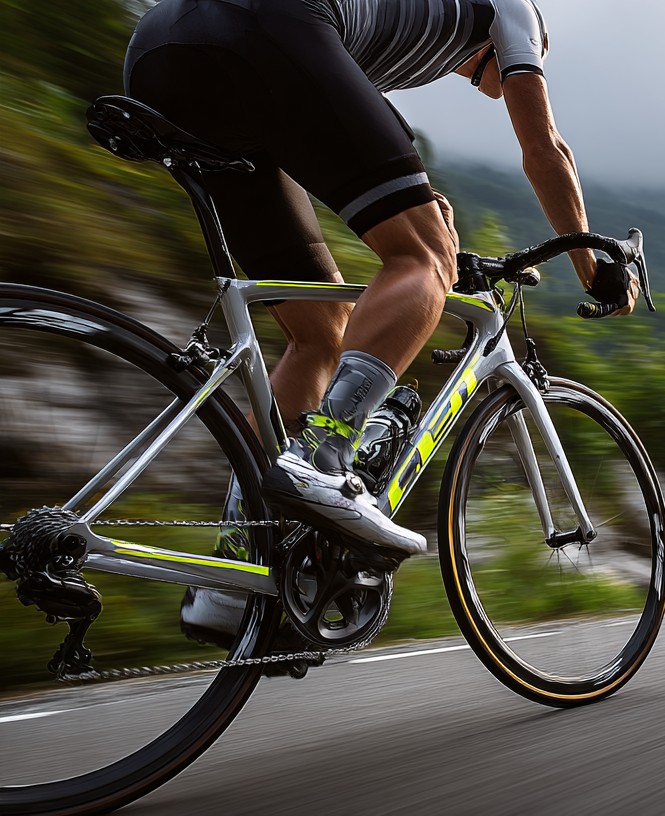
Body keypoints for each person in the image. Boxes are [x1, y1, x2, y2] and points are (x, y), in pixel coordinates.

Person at [122, 0, 637, 641]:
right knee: (420, 255)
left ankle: (235, 573)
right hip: (264, 28)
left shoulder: (392, 39)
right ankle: (323, 454)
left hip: (160, 53)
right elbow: (542, 147)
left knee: (319, 330)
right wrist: (593, 263)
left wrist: (440, 231)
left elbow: (371, 142)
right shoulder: (513, 10)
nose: (504, 81)